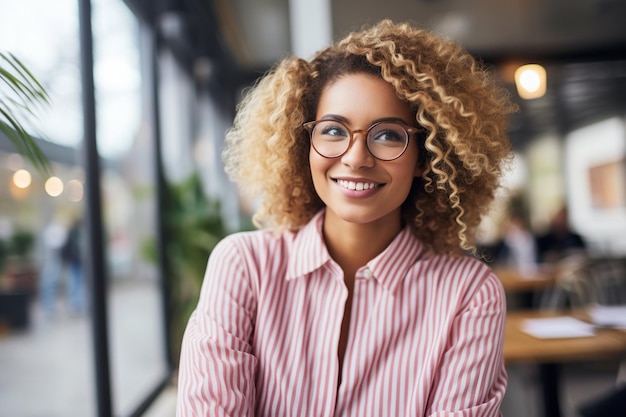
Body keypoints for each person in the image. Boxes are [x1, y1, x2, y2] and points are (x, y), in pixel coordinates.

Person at [177, 20, 516, 416]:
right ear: (305, 144)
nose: (356, 158)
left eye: (388, 135)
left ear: (425, 156)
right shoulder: (243, 267)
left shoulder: (468, 295)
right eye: (334, 130)